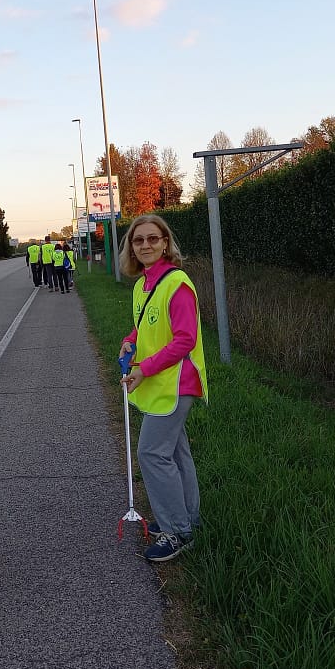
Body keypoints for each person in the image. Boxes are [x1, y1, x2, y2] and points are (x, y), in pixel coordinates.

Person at [118, 214, 208, 564]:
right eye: (138, 241)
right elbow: (143, 328)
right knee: (174, 453)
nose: (146, 245)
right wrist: (129, 341)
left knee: (152, 453)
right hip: (160, 382)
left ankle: (177, 532)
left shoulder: (177, 283)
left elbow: (185, 339)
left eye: (153, 239)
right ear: (132, 247)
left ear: (166, 242)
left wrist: (146, 369)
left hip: (178, 382)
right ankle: (187, 519)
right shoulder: (143, 284)